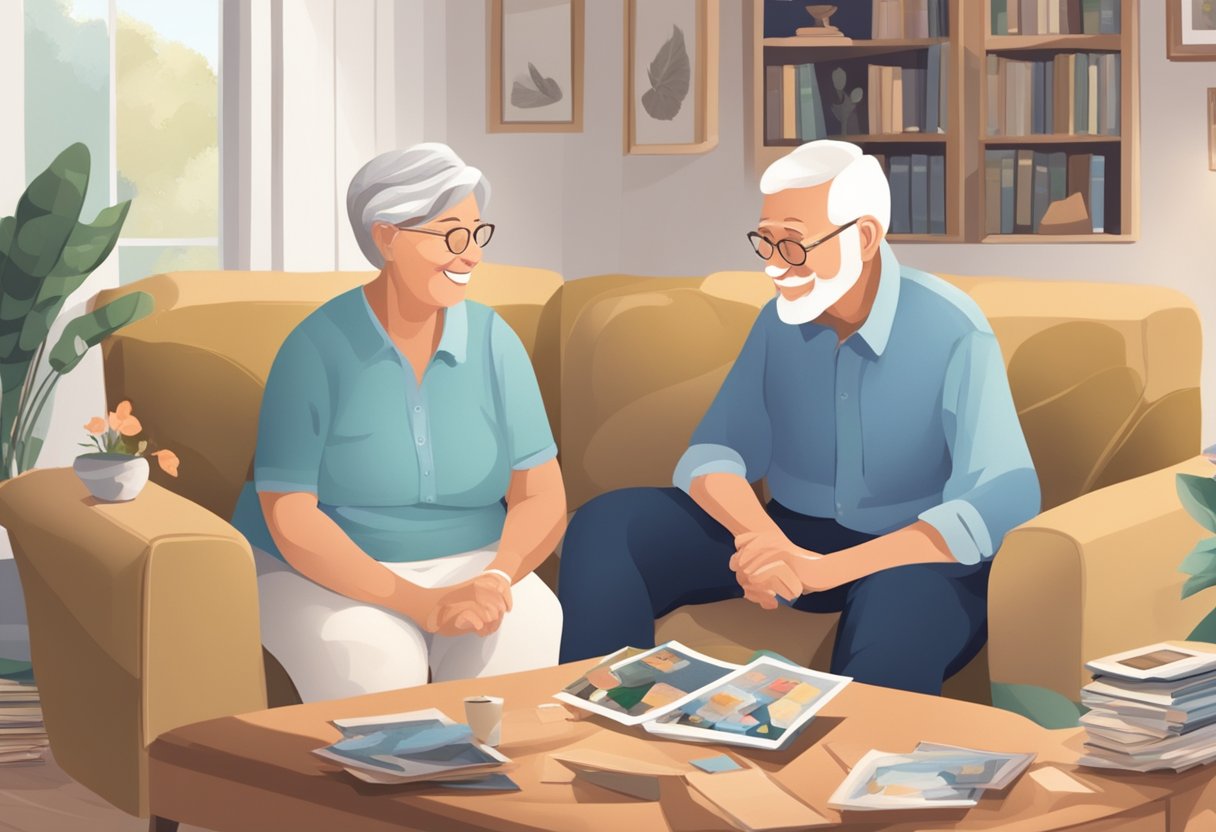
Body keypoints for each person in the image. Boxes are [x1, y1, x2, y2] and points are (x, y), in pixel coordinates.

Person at [557, 140, 1040, 696]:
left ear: (863, 237)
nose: (772, 264)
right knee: (607, 523)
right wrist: (764, 541)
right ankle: (607, 722)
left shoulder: (954, 328)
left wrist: (821, 572)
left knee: (897, 617)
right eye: (765, 241)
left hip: (912, 555)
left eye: (791, 243)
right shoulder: (778, 323)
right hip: (788, 527)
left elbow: (1003, 496)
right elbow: (715, 451)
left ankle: (852, 775)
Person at [230, 143, 566, 702]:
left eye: (477, 235)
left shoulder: (493, 341)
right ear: (387, 237)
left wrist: (497, 576)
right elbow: (290, 516)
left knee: (528, 628)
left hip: (475, 558)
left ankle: (488, 788)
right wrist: (419, 605)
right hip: (322, 569)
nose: (471, 256)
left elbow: (540, 492)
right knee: (376, 658)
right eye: (451, 235)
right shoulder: (315, 347)